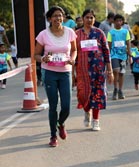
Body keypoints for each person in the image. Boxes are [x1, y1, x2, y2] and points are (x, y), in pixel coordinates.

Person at [34, 6, 77, 147]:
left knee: (66, 106)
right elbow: (36, 55)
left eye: (60, 15)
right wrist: (43, 59)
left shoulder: (70, 32)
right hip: (50, 73)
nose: (58, 18)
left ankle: (61, 123)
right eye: (55, 16)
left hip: (65, 72)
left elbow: (74, 50)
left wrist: (72, 59)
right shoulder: (43, 35)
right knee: (53, 106)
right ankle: (53, 136)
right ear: (49, 19)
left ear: (63, 17)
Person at [76, 9, 114, 131]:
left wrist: (110, 70)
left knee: (97, 94)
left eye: (91, 17)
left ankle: (96, 120)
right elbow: (73, 52)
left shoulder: (99, 33)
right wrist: (72, 72)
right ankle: (87, 111)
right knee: (83, 95)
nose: (89, 20)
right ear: (82, 18)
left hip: (98, 70)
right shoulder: (77, 35)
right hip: (82, 71)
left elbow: (106, 51)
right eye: (87, 17)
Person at [107, 14, 131, 100]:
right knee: (116, 70)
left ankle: (120, 90)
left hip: (123, 55)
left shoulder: (125, 32)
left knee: (122, 73)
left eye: (120, 21)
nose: (118, 22)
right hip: (114, 55)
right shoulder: (111, 32)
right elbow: (109, 44)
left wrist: (130, 55)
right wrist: (107, 57)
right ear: (114, 22)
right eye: (117, 21)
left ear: (122, 22)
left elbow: (128, 43)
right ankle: (115, 89)